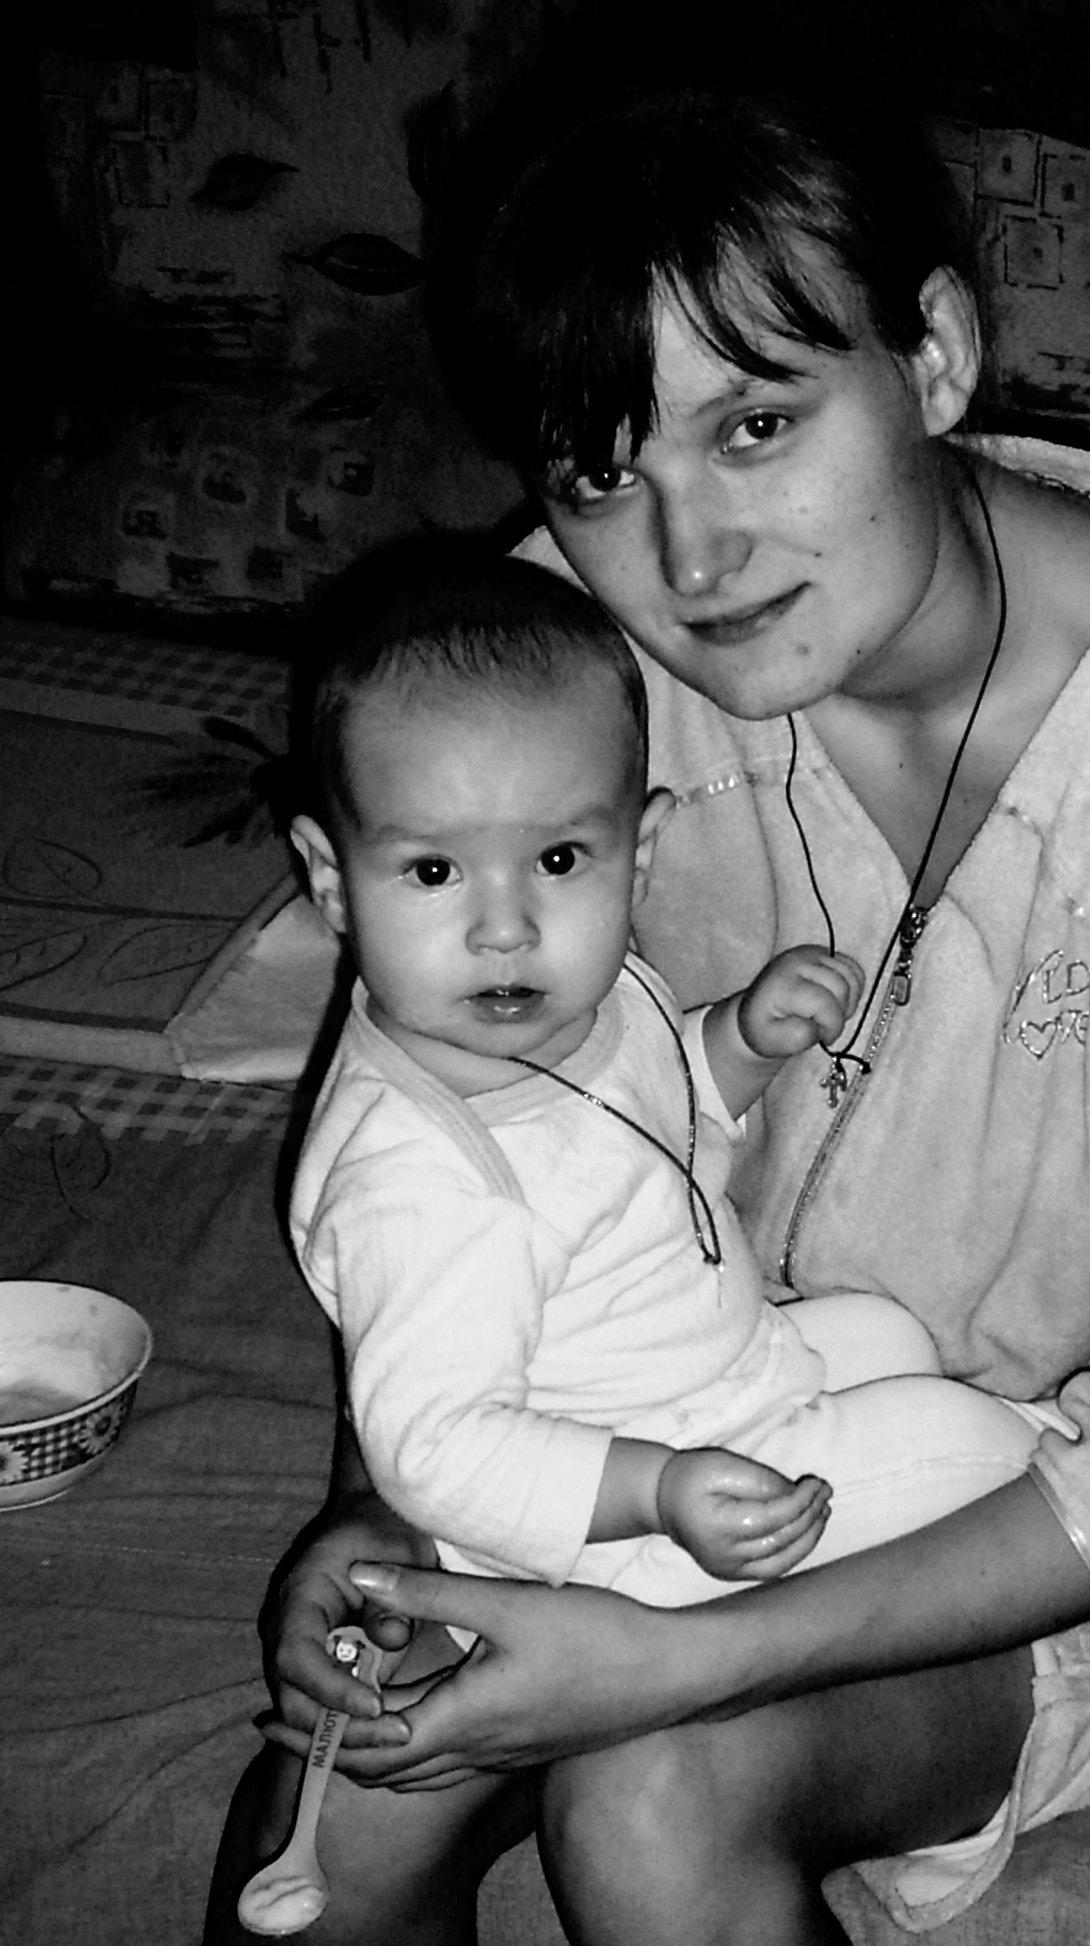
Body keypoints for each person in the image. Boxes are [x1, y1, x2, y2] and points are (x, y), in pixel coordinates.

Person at [199, 85, 1090, 1946]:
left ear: (932, 356)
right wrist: (381, 1508)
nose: (688, 554)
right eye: (604, 471)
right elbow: (439, 1085)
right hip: (657, 1397)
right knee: (342, 1798)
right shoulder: (568, 653)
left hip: (1023, 1524)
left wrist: (677, 1666)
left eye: (758, 423)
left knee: (652, 1798)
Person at [283, 539, 1046, 1615]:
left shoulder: (578, 1003)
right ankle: (1061, 1465)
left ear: (637, 856)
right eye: (434, 870)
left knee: (891, 1337)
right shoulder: (420, 1184)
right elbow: (432, 1449)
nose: (505, 928)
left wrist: (738, 1043)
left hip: (705, 1366)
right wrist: (658, 1490)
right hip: (613, 1516)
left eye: (558, 861)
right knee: (971, 1441)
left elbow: (639, 1118)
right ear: (332, 881)